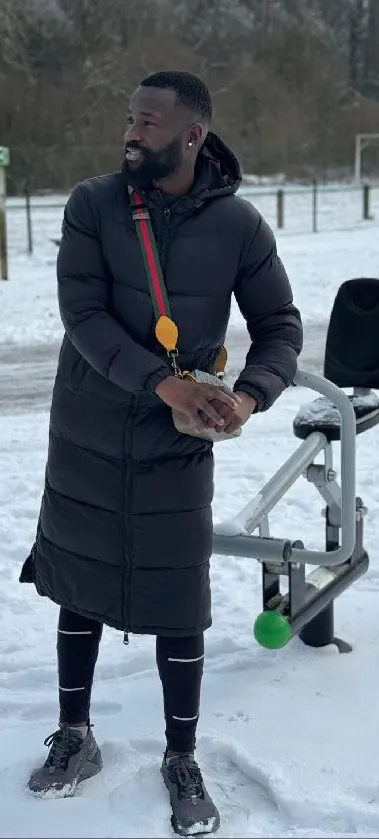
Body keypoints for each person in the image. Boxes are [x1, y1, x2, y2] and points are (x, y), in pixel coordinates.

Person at [20, 70, 303, 835]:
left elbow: (279, 325)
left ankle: (182, 753)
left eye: (147, 123)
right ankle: (75, 735)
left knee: (179, 596)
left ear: (190, 136)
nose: (131, 133)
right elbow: (81, 311)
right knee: (78, 579)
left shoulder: (239, 226)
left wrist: (247, 397)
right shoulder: (93, 204)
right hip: (87, 423)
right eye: (128, 118)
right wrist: (159, 381)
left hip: (176, 443)